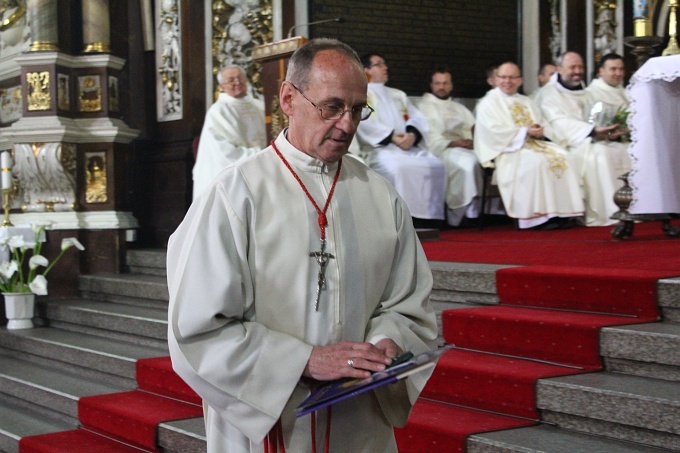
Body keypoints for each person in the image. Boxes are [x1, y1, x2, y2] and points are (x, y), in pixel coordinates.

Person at [167, 38, 438, 453]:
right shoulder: (235, 194)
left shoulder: (380, 196)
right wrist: (303, 362)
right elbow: (198, 329)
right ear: (289, 98)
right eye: (330, 107)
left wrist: (389, 341)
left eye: (357, 109)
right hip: (273, 423)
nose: (346, 125)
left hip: (359, 421)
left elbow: (406, 303)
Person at [474, 62, 585, 230]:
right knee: (536, 161)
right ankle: (536, 218)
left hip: (534, 144)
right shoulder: (488, 103)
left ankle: (562, 214)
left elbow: (543, 123)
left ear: (520, 81)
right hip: (507, 150)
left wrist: (541, 131)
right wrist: (524, 132)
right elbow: (492, 132)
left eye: (512, 77)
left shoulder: (527, 101)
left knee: (564, 156)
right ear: (496, 79)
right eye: (503, 77)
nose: (507, 81)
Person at [538, 51, 630, 226]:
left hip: (590, 138)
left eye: (580, 67)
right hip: (567, 143)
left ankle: (627, 208)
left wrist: (609, 131)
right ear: (559, 68)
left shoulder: (585, 92)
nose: (577, 71)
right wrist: (593, 131)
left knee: (623, 149)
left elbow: (597, 116)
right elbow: (559, 124)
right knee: (601, 154)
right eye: (572, 67)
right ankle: (607, 211)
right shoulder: (549, 94)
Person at [356, 53, 446, 225]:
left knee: (437, 165)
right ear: (366, 70)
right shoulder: (360, 94)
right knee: (400, 168)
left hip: (408, 147)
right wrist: (392, 137)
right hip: (380, 149)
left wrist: (412, 135)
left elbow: (417, 118)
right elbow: (362, 122)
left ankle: (431, 219)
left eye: (384, 64)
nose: (385, 67)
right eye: (379, 64)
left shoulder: (398, 94)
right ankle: (406, 219)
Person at [417, 68, 484, 226]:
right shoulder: (423, 106)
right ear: (431, 85)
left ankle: (475, 212)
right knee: (469, 163)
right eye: (438, 83)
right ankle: (460, 215)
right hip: (443, 149)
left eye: (446, 83)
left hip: (466, 147)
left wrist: (474, 141)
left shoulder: (459, 108)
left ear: (451, 85)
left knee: (482, 160)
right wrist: (453, 143)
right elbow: (429, 136)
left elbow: (474, 129)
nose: (442, 87)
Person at [192, 65, 266, 201]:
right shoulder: (218, 112)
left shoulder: (260, 106)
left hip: (265, 168)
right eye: (231, 80)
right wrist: (261, 154)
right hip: (238, 177)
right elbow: (224, 152)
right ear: (222, 86)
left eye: (240, 78)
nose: (237, 82)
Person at [585, 53, 629, 125]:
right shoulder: (591, 94)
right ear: (601, 71)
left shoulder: (626, 93)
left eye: (621, 69)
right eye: (613, 69)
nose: (618, 73)